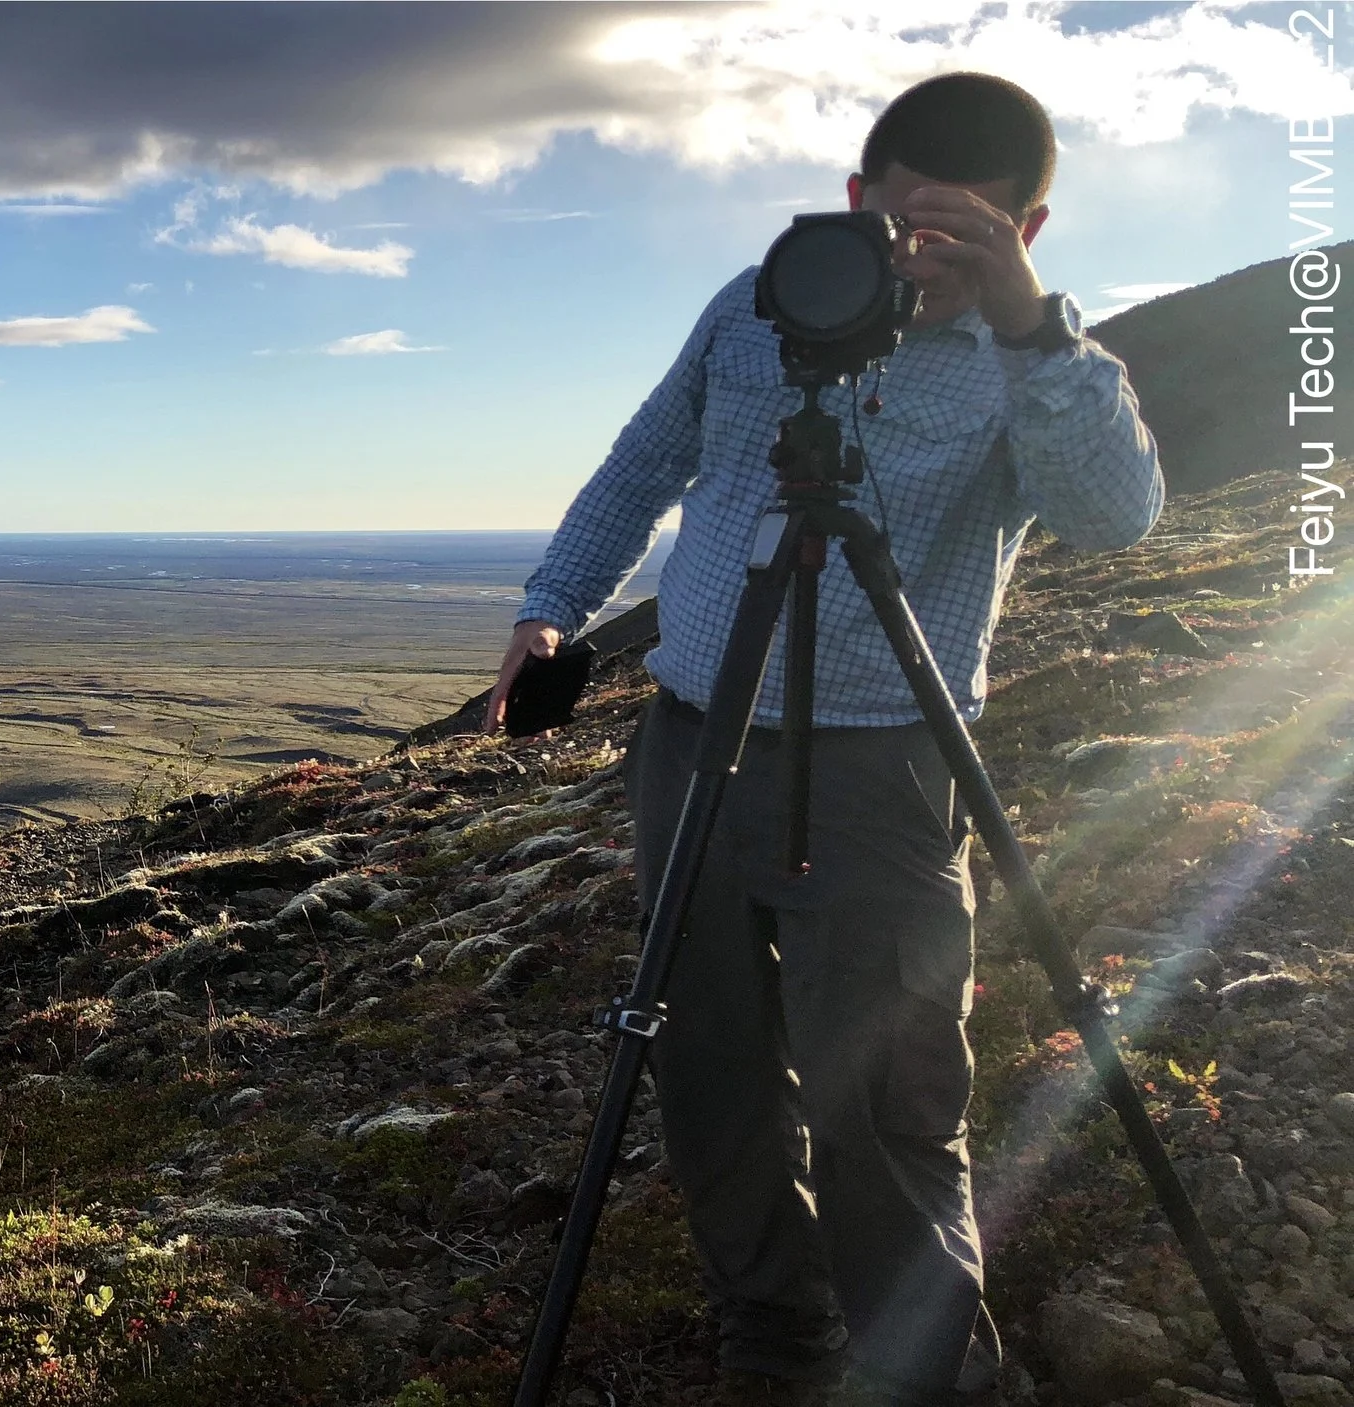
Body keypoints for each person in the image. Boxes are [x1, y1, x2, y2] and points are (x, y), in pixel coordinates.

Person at [483, 74, 1161, 1406]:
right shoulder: (755, 303)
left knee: (890, 1099)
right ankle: (771, 1333)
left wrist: (1029, 328)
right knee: (708, 1062)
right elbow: (642, 464)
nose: (933, 262)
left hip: (885, 769)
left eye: (981, 236)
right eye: (910, 225)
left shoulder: (1038, 370)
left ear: (1033, 229)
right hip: (696, 737)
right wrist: (551, 608)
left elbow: (1116, 513)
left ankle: (931, 1370)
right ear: (856, 202)